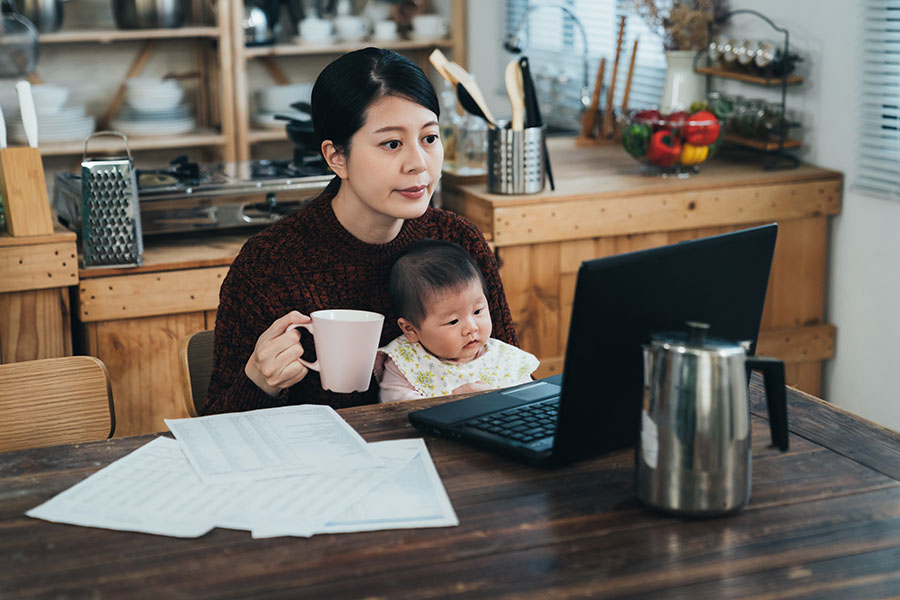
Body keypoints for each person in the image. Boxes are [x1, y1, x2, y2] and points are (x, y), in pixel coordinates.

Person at [202, 48, 519, 415]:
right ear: (337, 157)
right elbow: (216, 422)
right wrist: (258, 381)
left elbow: (506, 367)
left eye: (429, 138)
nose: (419, 164)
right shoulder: (270, 265)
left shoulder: (458, 240)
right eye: (392, 143)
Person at [376, 240, 539, 402]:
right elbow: (395, 408)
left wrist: (495, 400)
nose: (471, 327)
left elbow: (530, 405)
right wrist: (451, 406)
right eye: (453, 321)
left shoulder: (504, 358)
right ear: (411, 329)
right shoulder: (406, 360)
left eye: (477, 311)